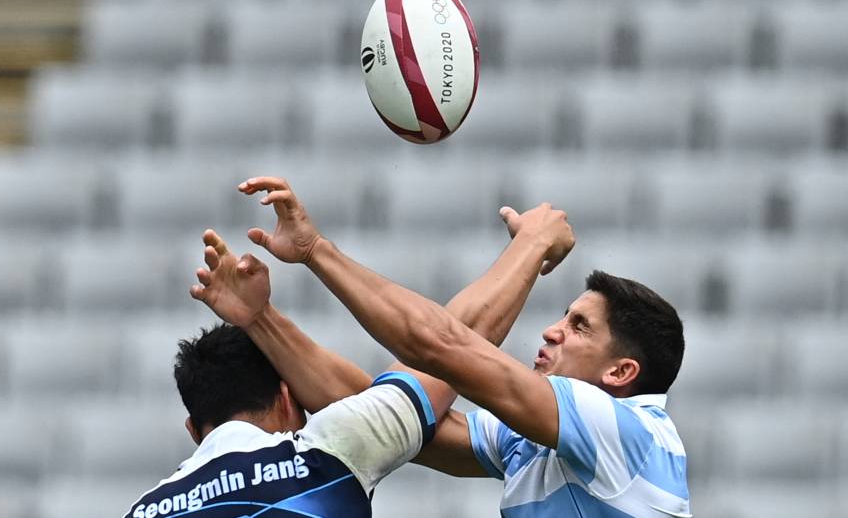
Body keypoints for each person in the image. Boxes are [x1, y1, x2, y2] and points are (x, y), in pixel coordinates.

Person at [205, 175, 690, 518]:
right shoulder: (545, 442)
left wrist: (315, 251)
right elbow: (386, 415)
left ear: (621, 374)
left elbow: (436, 344)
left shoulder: (626, 433)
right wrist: (261, 320)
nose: (552, 331)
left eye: (579, 326)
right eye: (564, 316)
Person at [123, 197, 576, 518]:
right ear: (288, 399)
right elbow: (451, 350)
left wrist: (260, 320)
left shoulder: (142, 510)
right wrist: (532, 242)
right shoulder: (319, 458)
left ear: (193, 432)